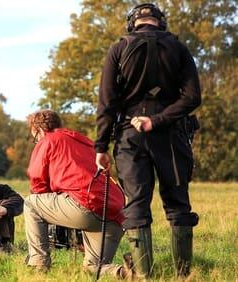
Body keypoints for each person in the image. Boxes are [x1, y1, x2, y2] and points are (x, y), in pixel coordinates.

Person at [95, 3, 201, 279]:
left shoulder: (118, 49)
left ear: (133, 23)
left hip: (130, 136)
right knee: (178, 203)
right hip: (171, 134)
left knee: (137, 204)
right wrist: (158, 120)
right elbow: (192, 98)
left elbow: (107, 102)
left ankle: (144, 276)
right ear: (160, 22)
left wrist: (100, 147)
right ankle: (183, 275)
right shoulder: (178, 48)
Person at [24, 110, 130, 278]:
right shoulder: (86, 142)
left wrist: (53, 205)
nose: (36, 140)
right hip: (116, 214)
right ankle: (127, 272)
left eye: (35, 137)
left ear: (40, 131)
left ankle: (38, 265)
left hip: (85, 205)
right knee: (92, 268)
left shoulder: (48, 140)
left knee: (31, 203)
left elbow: (37, 183)